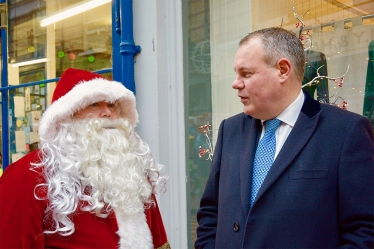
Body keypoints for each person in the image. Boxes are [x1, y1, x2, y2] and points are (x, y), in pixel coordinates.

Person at [195, 27, 374, 248]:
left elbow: (365, 230)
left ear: (282, 70)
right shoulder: (229, 130)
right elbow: (210, 214)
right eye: (236, 73)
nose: (235, 83)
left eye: (246, 74)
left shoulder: (346, 132)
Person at [0, 68, 171, 249]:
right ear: (66, 116)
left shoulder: (131, 171)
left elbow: (159, 240)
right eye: (94, 104)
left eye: (112, 105)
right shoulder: (27, 174)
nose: (107, 113)